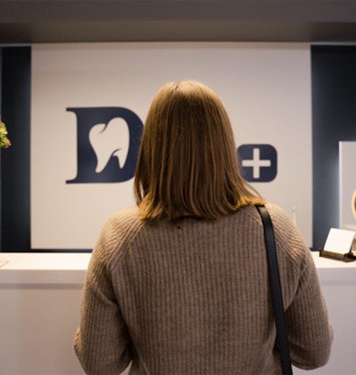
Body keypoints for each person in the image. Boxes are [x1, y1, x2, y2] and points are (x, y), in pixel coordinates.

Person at [74, 81, 333, 374]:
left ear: (151, 149)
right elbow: (314, 352)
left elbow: (99, 362)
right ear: (224, 145)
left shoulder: (119, 236)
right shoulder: (275, 228)